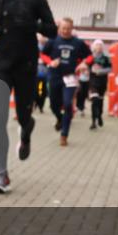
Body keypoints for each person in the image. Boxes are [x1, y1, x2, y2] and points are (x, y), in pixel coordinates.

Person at [0, 0, 57, 193]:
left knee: (24, 116)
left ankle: (26, 131)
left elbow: (52, 30)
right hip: (0, 64)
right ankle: (1, 175)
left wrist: (34, 25)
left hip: (25, 65)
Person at [41, 18, 91, 146]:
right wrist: (50, 62)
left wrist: (85, 63)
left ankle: (64, 134)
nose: (65, 31)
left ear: (72, 28)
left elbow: (90, 56)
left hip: (70, 77)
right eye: (63, 28)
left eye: (68, 28)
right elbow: (42, 54)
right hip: (54, 76)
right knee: (53, 105)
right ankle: (59, 118)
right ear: (59, 28)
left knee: (68, 104)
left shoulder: (78, 43)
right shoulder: (53, 40)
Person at [82, 39, 111, 130]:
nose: (98, 47)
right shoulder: (90, 57)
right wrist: (86, 71)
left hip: (102, 81)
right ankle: (93, 122)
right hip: (93, 82)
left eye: (100, 46)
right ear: (94, 47)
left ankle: (99, 116)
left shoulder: (106, 57)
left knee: (100, 101)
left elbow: (110, 69)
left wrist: (101, 71)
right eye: (97, 46)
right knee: (94, 101)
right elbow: (85, 66)